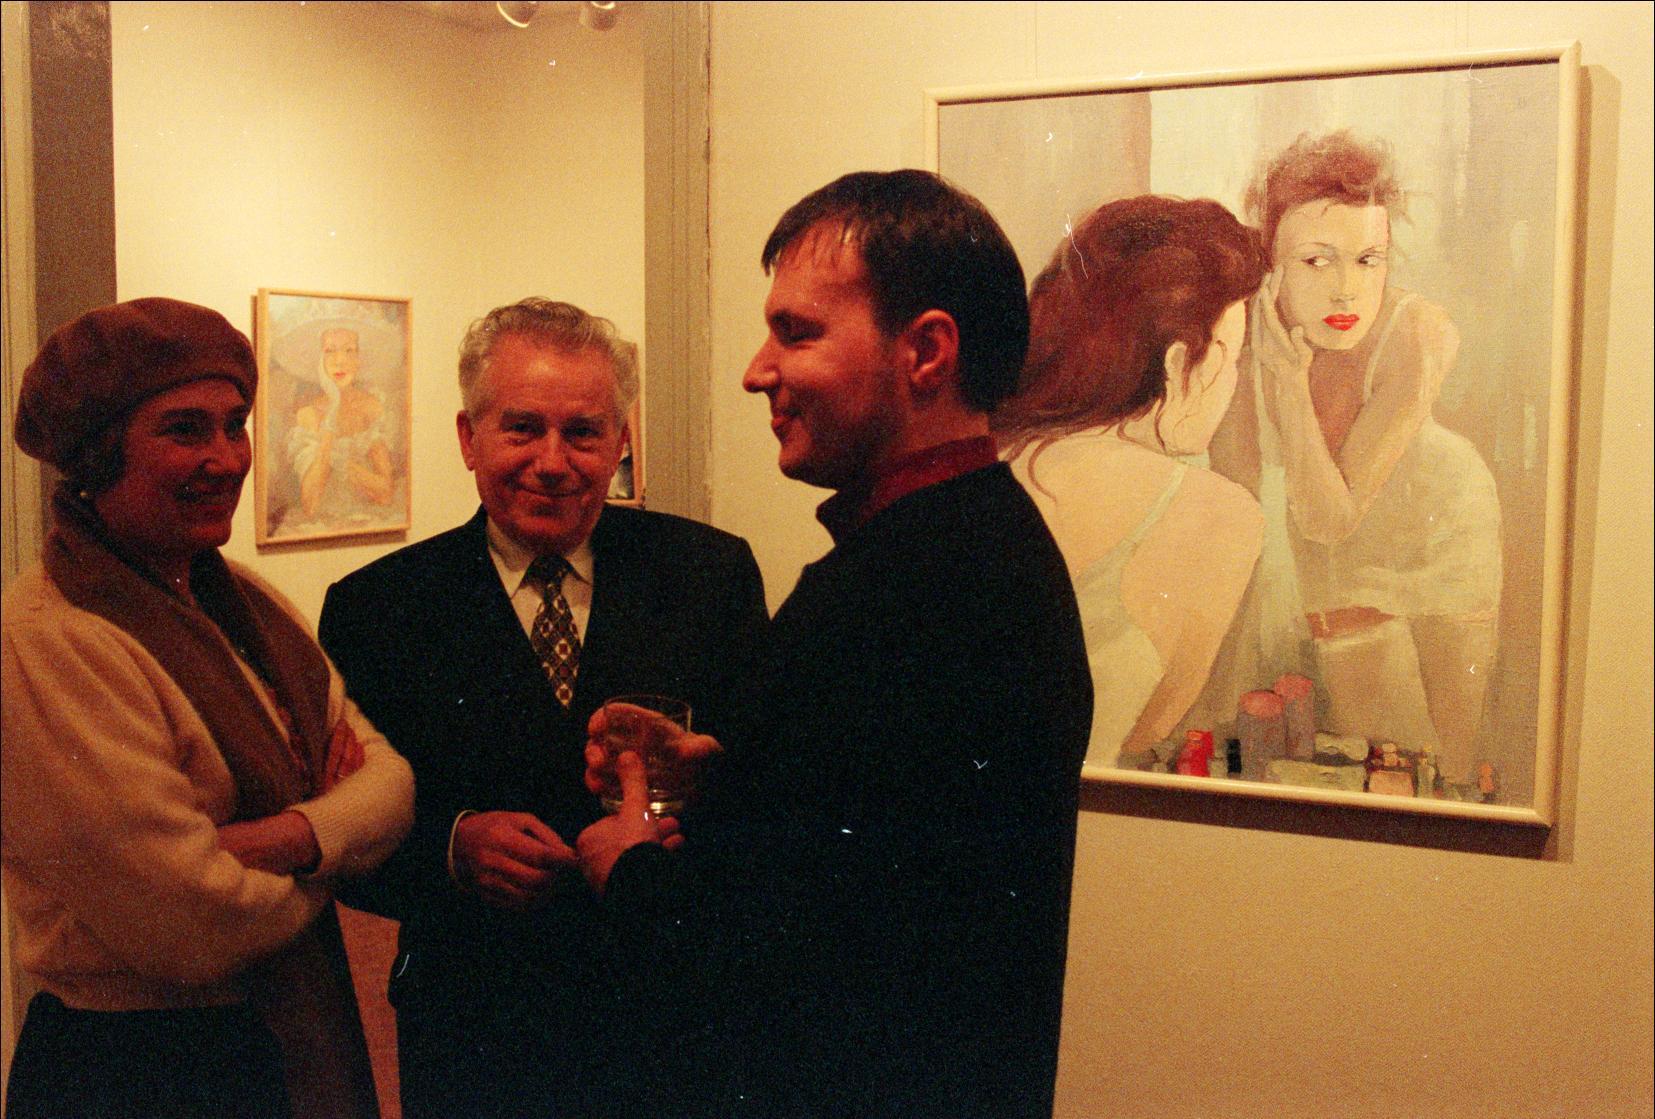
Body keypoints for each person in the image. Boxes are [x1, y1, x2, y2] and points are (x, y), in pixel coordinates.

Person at [577, 170, 1093, 1118]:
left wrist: (632, 867)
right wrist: (728, 771)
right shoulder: (968, 541)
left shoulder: (916, 581)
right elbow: (883, 832)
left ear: (925, 351)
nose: (755, 370)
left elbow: (807, 960)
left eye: (796, 332)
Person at [316, 298, 768, 1118]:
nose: (552, 462)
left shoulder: (710, 574)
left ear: (620, 440)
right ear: (468, 438)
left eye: (582, 432)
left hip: (666, 1015)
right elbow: (344, 839)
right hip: (475, 1022)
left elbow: (767, 791)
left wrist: (702, 791)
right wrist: (451, 847)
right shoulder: (376, 607)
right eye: (522, 428)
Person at [1, 298, 414, 1119]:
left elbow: (391, 781)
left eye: (235, 425)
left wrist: (287, 838)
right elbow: (185, 923)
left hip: (271, 1036)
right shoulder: (53, 639)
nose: (225, 459)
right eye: (185, 430)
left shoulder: (242, 600)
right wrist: (336, 844)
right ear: (98, 454)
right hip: (134, 1067)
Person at [1210, 131, 1501, 786]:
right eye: (1317, 261)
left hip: (1438, 531)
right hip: (1322, 555)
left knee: (1444, 765)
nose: (1347, 290)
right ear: (1271, 263)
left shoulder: (1418, 333)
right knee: (1353, 753)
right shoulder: (1239, 333)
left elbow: (1328, 518)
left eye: (1368, 260)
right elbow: (1238, 505)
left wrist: (1290, 386)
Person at [993, 195, 1268, 767]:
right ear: (1181, 364)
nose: (1232, 382)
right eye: (1234, 358)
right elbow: (1149, 730)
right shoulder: (1217, 513)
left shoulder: (986, 459)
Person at [288, 323, 397, 520]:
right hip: (321, 525)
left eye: (349, 350)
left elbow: (386, 493)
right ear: (319, 360)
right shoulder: (308, 415)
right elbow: (310, 504)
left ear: (359, 359)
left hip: (368, 521)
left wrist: (344, 465)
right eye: (330, 351)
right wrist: (332, 411)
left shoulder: (371, 408)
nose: (340, 361)